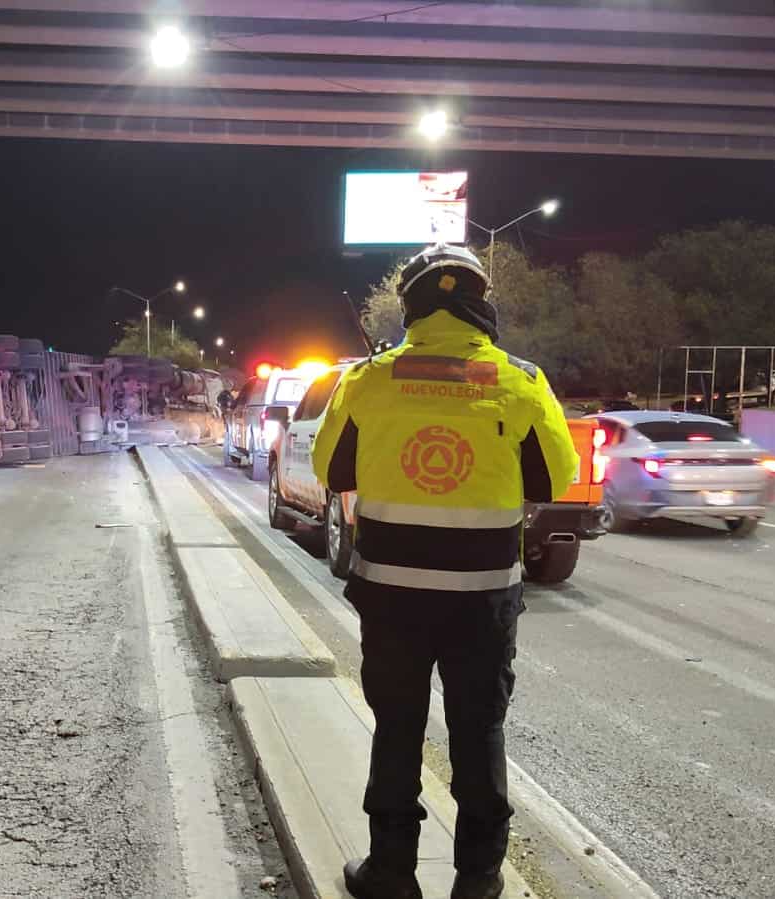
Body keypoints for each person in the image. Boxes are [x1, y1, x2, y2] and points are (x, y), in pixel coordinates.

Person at [311, 244, 578, 899]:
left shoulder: (367, 379)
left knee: (397, 728)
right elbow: (555, 476)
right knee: (478, 729)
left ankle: (391, 873)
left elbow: (330, 471)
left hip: (391, 593)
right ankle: (479, 879)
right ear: (479, 302)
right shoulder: (519, 378)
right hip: (481, 599)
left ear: (410, 306)